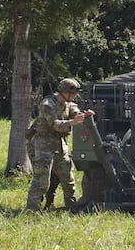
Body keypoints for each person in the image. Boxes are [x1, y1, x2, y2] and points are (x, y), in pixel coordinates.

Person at [26, 78, 94, 211]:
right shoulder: (47, 104)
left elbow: (76, 113)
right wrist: (72, 123)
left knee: (68, 178)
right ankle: (32, 209)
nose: (74, 97)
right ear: (64, 92)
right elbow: (55, 124)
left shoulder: (69, 104)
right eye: (72, 94)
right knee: (41, 180)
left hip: (59, 144)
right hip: (43, 144)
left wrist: (85, 116)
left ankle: (72, 207)